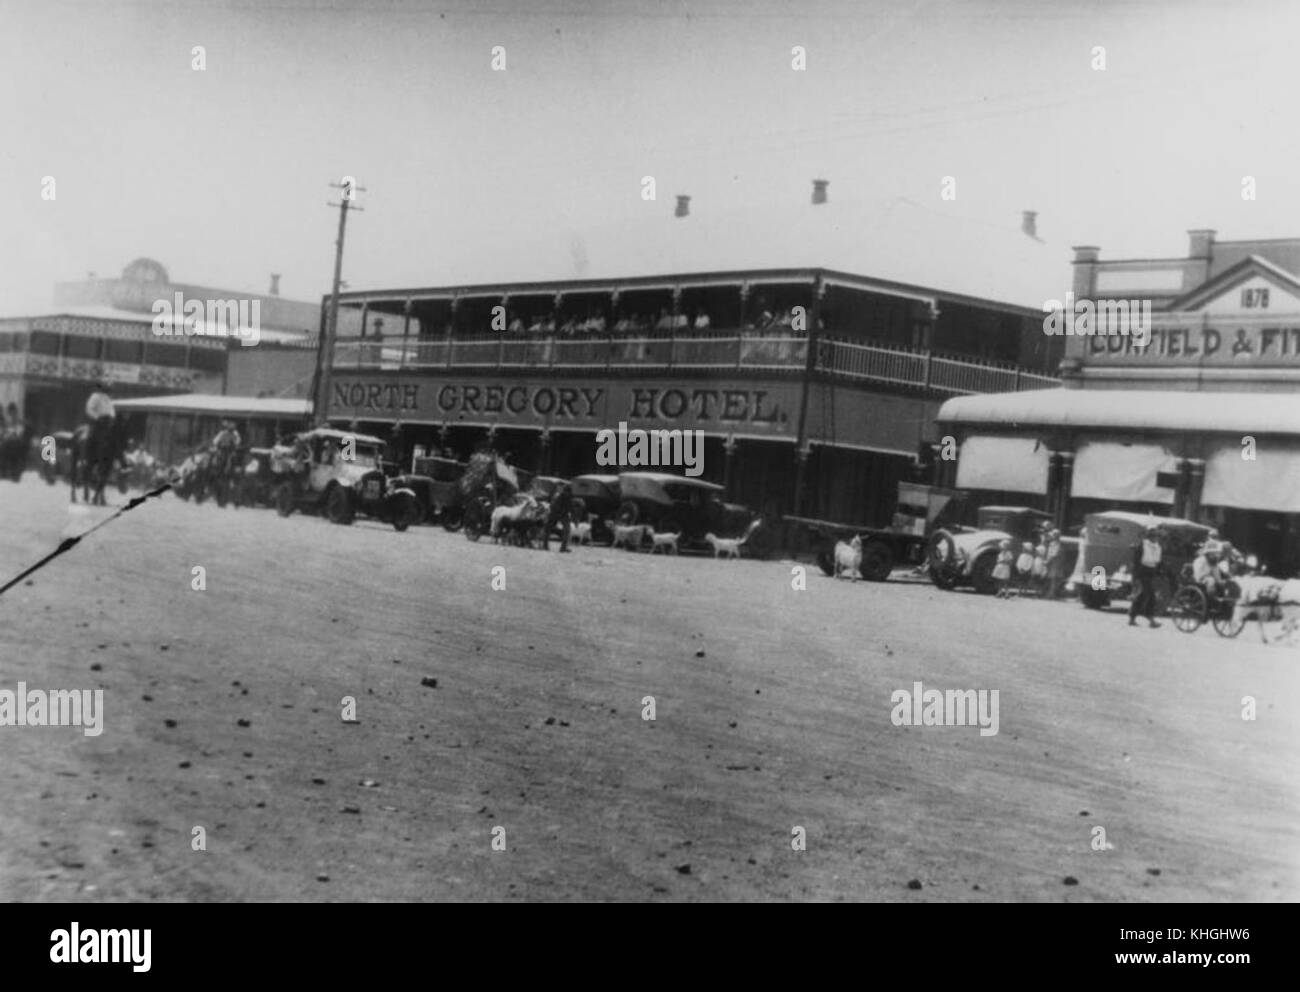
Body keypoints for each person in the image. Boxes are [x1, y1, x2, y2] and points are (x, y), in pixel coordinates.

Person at [1128, 525, 1164, 628]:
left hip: (1151, 572)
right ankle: (1150, 618)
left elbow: (1158, 562)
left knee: (1142, 595)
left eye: (1157, 536)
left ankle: (1132, 617)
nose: (1156, 538)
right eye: (1154, 536)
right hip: (1142, 572)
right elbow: (1136, 561)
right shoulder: (1142, 545)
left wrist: (1159, 572)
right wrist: (1135, 576)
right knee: (1151, 595)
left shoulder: (1158, 547)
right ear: (1150, 536)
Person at [547, 481, 574, 553]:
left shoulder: (569, 497)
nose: (567, 493)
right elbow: (555, 506)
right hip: (556, 513)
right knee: (548, 528)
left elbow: (570, 506)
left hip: (563, 514)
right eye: (566, 491)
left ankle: (563, 547)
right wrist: (559, 514)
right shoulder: (559, 497)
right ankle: (545, 545)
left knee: (567, 530)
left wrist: (569, 514)